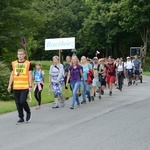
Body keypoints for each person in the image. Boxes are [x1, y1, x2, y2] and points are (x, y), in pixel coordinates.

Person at [7, 49, 32, 124]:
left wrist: (30, 85)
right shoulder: (13, 63)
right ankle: (21, 117)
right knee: (17, 103)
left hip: (25, 86)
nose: (19, 56)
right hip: (16, 86)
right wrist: (9, 85)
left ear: (24, 55)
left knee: (22, 101)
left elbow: (30, 75)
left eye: (21, 54)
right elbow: (12, 75)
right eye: (18, 54)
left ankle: (28, 111)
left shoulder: (28, 63)